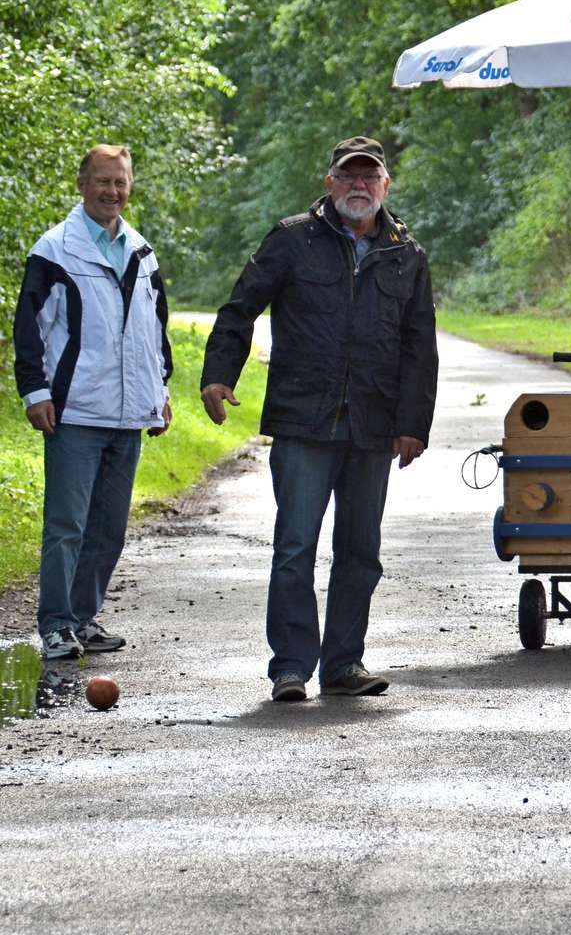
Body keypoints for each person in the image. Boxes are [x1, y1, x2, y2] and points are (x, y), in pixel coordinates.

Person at [201, 137, 438, 703]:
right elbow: (240, 309)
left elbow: (418, 347)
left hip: (374, 424)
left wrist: (414, 423)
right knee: (294, 547)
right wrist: (218, 375)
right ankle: (290, 667)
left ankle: (343, 664)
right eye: (348, 176)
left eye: (370, 177)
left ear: (385, 185)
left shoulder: (408, 255)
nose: (360, 186)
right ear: (329, 183)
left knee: (360, 551)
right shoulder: (291, 240)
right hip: (304, 420)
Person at [13, 144, 173, 660]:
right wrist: (36, 390)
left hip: (128, 414)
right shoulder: (54, 249)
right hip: (75, 410)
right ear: (82, 185)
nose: (112, 191)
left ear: (130, 187)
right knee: (67, 525)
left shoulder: (141, 251)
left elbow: (156, 332)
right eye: (102, 181)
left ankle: (83, 618)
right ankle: (56, 624)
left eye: (120, 182)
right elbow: (28, 328)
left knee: (109, 527)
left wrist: (160, 392)